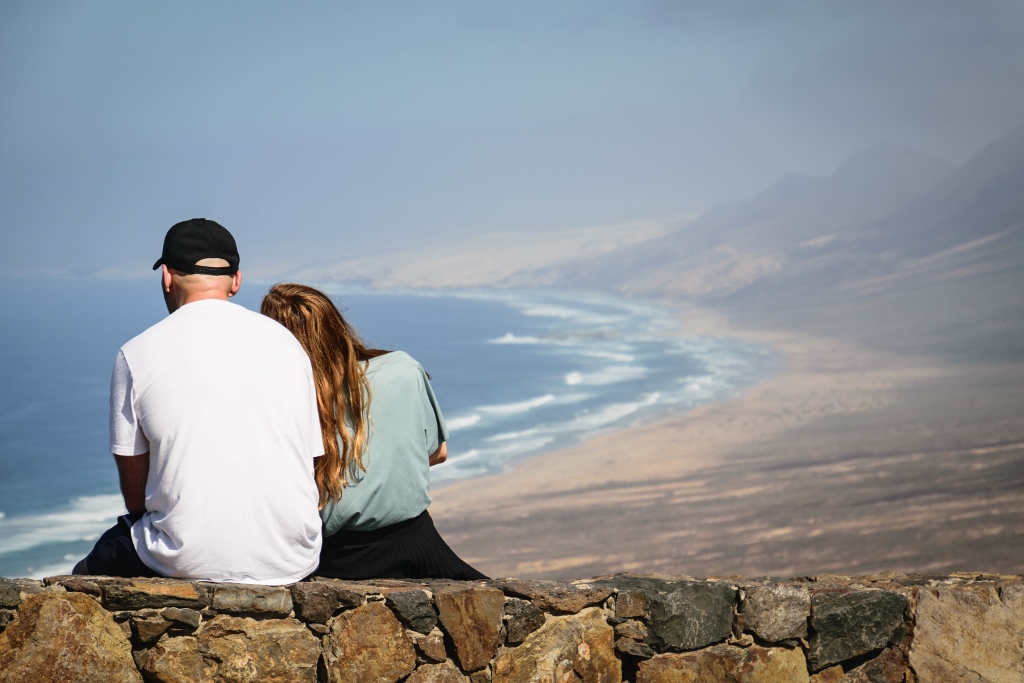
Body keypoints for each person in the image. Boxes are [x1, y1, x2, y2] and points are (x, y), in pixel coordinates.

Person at [73, 219, 323, 584]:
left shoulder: (137, 353)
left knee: (82, 576)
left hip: (184, 559)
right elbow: (312, 459)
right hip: (294, 557)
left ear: (168, 278)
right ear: (236, 280)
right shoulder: (288, 344)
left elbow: (136, 498)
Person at [260, 283, 486, 580]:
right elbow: (437, 453)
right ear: (336, 324)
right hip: (419, 543)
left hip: (337, 557)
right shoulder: (403, 368)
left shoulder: (287, 400)